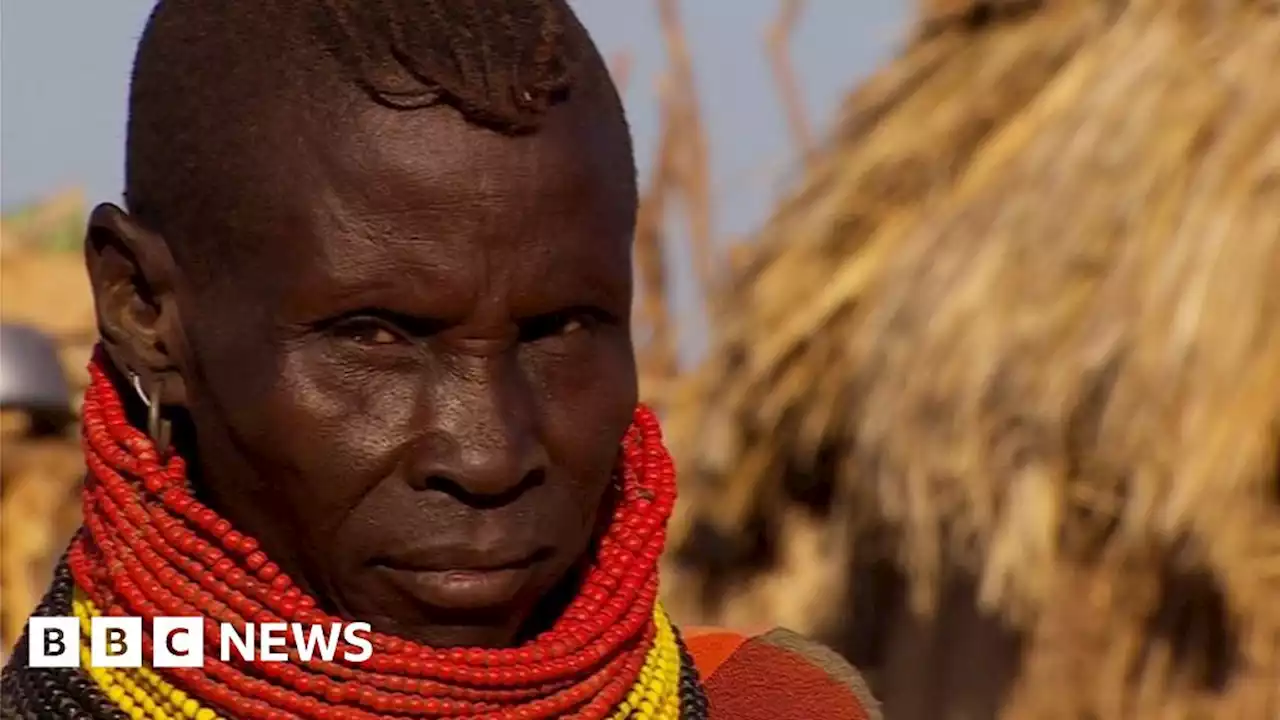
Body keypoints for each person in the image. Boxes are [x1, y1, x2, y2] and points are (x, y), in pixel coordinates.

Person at [1, 1, 881, 718]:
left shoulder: (772, 704)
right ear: (143, 312)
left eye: (563, 328)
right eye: (375, 336)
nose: (488, 454)